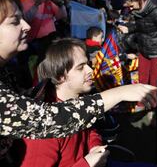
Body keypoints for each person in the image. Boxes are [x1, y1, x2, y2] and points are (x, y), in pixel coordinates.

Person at [0, 0, 157, 160]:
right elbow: (47, 120)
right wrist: (119, 93)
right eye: (15, 21)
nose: (27, 26)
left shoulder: (7, 72)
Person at [18, 38, 108, 167]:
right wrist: (87, 164)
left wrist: (95, 146)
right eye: (80, 67)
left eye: (88, 64)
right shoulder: (44, 127)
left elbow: (90, 129)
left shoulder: (80, 101)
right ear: (60, 76)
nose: (91, 71)